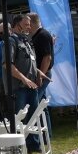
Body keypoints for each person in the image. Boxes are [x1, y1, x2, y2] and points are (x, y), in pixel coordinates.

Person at [6, 14, 39, 147]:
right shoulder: (11, 41)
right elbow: (8, 65)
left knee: (33, 117)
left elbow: (30, 61)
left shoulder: (26, 40)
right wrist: (24, 79)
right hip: (20, 88)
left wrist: (39, 74)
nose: (29, 27)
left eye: (29, 24)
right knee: (19, 119)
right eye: (26, 24)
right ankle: (18, 145)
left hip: (32, 86)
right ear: (17, 24)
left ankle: (33, 145)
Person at [28, 12, 54, 140]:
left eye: (28, 23)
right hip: (41, 74)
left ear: (32, 23)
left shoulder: (43, 35)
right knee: (42, 106)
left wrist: (41, 76)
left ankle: (35, 138)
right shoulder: (39, 35)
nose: (26, 26)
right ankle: (46, 135)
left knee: (35, 106)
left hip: (43, 74)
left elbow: (47, 57)